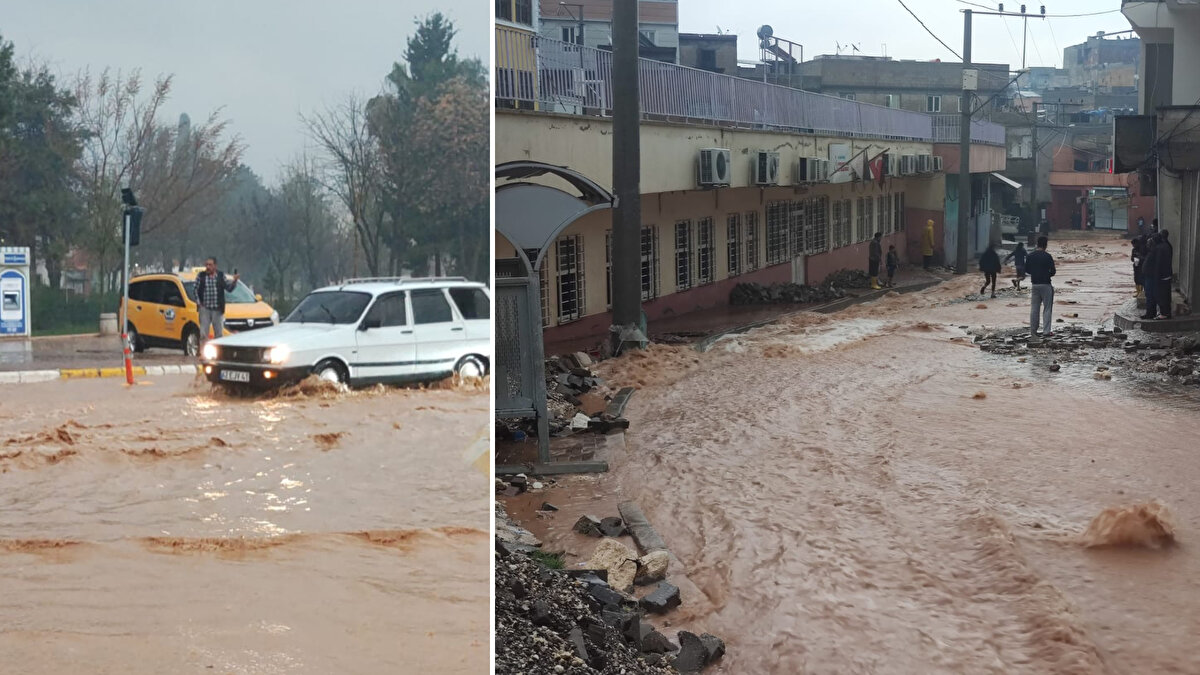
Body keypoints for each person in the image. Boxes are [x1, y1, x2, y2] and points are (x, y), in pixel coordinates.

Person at [195, 256, 239, 350]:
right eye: (206, 265)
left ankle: (218, 353)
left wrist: (234, 281)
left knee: (219, 333)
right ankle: (203, 353)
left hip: (217, 309)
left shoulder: (220, 276)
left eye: (210, 265)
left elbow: (229, 288)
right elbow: (195, 290)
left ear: (215, 266)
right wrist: (199, 303)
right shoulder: (201, 276)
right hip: (205, 309)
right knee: (203, 333)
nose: (208, 267)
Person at [1026, 236, 1056, 337]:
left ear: (1037, 244)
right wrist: (1047, 274)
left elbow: (1027, 270)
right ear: (1045, 245)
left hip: (1034, 284)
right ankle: (1046, 331)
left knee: (1034, 308)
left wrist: (1035, 273)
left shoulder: (1030, 256)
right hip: (1046, 284)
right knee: (1047, 308)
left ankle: (1033, 331)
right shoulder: (1047, 256)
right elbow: (1053, 271)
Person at [1152, 229, 1174, 320]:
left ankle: (1164, 313)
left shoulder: (1160, 248)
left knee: (1162, 295)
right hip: (1168, 273)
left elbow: (1158, 264)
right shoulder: (1168, 245)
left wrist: (1156, 277)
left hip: (1162, 276)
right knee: (1167, 294)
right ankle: (1167, 312)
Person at [1141, 233, 1160, 320]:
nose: (1147, 245)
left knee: (1150, 296)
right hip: (1148, 276)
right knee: (1149, 295)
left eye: (1148, 244)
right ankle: (1150, 312)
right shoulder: (1151, 252)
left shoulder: (1154, 253)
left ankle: (1150, 313)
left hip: (1150, 277)